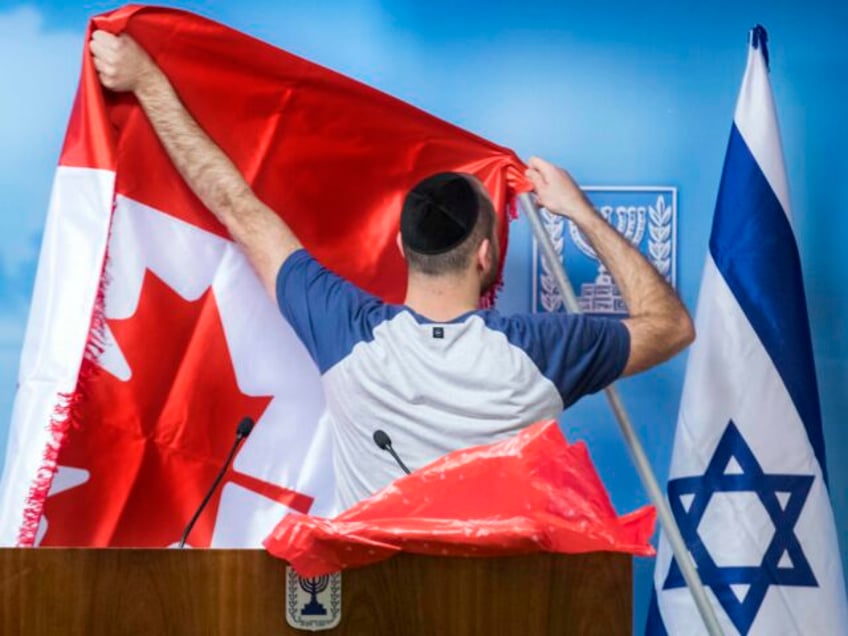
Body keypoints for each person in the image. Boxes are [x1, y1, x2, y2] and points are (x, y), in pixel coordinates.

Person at [89, 31, 695, 509]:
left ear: (403, 251)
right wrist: (579, 211)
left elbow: (236, 207)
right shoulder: (542, 349)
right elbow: (670, 325)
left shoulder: (347, 329)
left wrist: (146, 81)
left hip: (380, 606)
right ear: (486, 255)